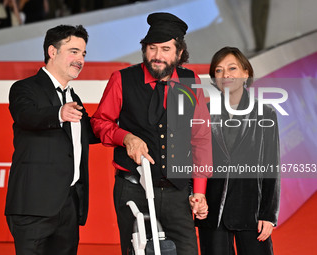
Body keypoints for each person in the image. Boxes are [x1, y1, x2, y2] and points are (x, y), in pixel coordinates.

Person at [91, 12, 212, 255]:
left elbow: (200, 137)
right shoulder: (122, 79)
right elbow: (99, 122)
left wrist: (199, 191)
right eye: (152, 48)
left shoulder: (191, 81)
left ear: (179, 53)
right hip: (133, 189)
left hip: (178, 191)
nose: (157, 56)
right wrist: (125, 137)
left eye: (166, 49)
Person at [5, 24, 99, 255]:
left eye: (83, 54)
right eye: (74, 51)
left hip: (68, 205)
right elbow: (26, 116)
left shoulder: (72, 96)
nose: (80, 59)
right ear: (52, 51)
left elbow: (91, 132)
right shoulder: (25, 88)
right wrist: (58, 114)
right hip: (34, 206)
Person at [196, 46, 280, 255]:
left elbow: (272, 165)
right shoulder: (204, 112)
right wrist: (195, 196)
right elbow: (195, 159)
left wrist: (268, 214)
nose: (226, 75)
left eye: (232, 68)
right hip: (212, 212)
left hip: (251, 210)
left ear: (246, 73)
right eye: (219, 70)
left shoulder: (265, 113)